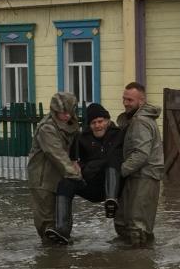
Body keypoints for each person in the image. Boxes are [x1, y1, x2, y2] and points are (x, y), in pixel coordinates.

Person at [50, 103, 123, 241]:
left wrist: (95, 164)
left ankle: (111, 201)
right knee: (65, 183)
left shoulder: (118, 135)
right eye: (93, 123)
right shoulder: (82, 138)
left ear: (107, 121)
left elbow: (119, 159)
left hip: (115, 186)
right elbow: (75, 163)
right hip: (91, 182)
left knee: (112, 161)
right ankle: (62, 229)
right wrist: (86, 167)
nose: (97, 125)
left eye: (100, 121)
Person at [27, 91, 81, 242]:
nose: (66, 116)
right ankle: (49, 259)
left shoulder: (71, 124)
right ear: (55, 111)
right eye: (62, 113)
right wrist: (76, 175)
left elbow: (74, 149)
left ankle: (61, 257)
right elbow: (56, 154)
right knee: (47, 222)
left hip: (60, 178)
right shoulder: (47, 128)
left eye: (69, 112)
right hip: (42, 180)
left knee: (64, 220)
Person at [114, 82, 163, 244]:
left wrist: (119, 171)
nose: (125, 103)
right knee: (127, 222)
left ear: (141, 101)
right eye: (124, 99)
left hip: (144, 177)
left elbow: (141, 154)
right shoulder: (138, 119)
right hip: (139, 176)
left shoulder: (140, 121)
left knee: (137, 226)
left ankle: (140, 265)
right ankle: (135, 262)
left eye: (130, 100)